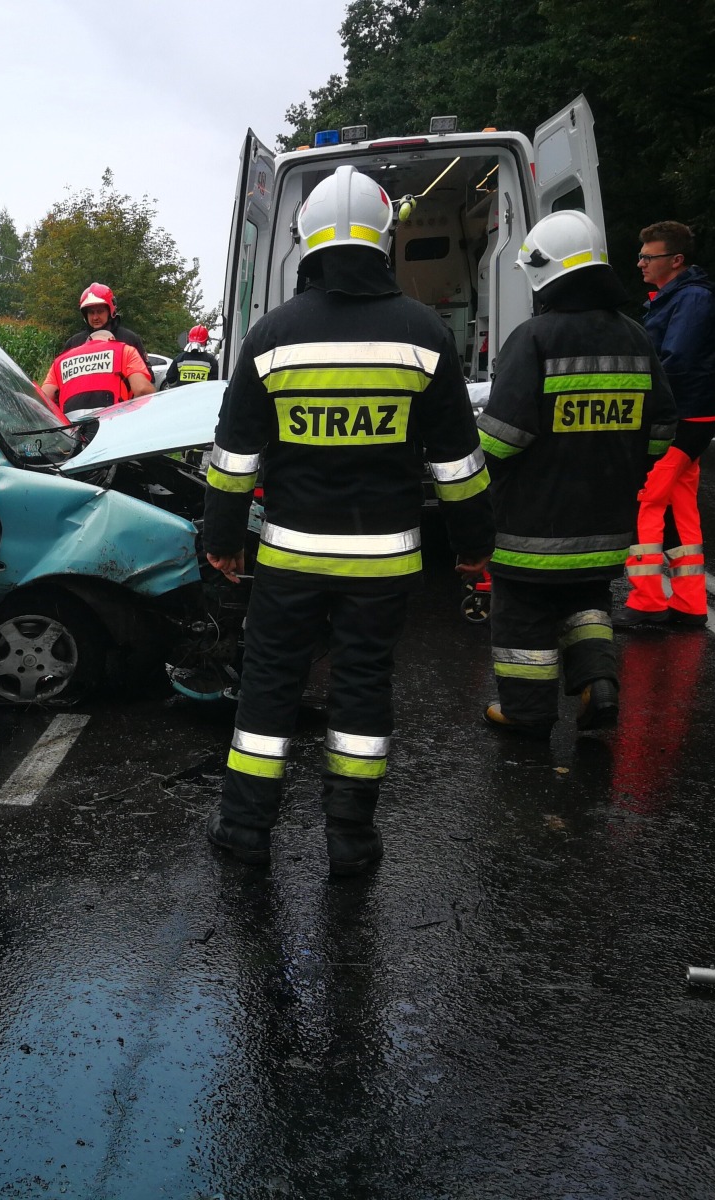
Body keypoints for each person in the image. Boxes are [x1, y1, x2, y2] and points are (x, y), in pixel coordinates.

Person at [200, 165, 494, 877]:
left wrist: (223, 541)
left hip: (290, 559)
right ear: (384, 239)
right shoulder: (424, 334)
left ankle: (244, 830)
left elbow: (233, 459)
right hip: (383, 563)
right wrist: (472, 547)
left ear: (307, 239)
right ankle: (352, 840)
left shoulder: (271, 336)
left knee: (269, 685)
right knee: (363, 686)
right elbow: (457, 463)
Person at [475, 210, 677, 737]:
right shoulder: (635, 337)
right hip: (605, 522)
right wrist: (621, 462)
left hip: (532, 526)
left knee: (522, 612)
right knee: (586, 601)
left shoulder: (534, 338)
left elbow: (502, 438)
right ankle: (598, 684)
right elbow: (662, 429)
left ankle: (527, 712)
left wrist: (470, 478)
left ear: (544, 272)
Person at [617, 220, 715, 630]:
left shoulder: (690, 299)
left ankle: (646, 603)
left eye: (649, 256)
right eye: (641, 255)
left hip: (680, 419)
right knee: (680, 510)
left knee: (645, 500)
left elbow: (673, 362)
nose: (640, 263)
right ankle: (689, 603)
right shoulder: (676, 298)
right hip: (692, 418)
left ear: (676, 260)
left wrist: (639, 402)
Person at [39, 328, 155, 418]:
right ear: (112, 340)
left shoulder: (60, 361)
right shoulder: (125, 350)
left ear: (87, 342)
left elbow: (41, 401)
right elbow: (142, 390)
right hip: (112, 423)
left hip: (73, 430)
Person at [62, 282, 148, 360]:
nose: (95, 317)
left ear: (110, 311)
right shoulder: (74, 343)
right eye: (91, 312)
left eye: (100, 311)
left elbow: (146, 371)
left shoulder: (130, 340)